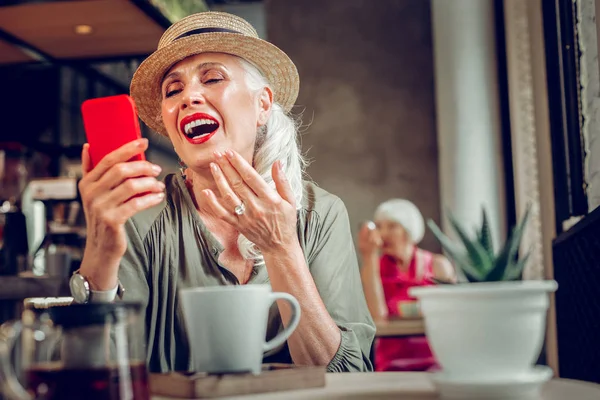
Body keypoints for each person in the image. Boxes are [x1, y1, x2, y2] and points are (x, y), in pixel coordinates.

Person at [73, 11, 375, 373]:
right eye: (174, 89)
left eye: (212, 78)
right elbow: (99, 375)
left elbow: (347, 377)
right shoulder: (138, 216)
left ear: (262, 104)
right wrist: (100, 255)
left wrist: (280, 246)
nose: (189, 97)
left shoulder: (320, 214)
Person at [358, 199, 455, 371]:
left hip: (438, 361)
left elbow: (453, 316)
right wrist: (369, 258)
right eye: (379, 227)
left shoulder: (438, 265)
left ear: (409, 230)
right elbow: (378, 319)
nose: (383, 233)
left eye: (392, 226)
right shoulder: (373, 269)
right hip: (392, 364)